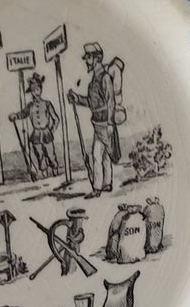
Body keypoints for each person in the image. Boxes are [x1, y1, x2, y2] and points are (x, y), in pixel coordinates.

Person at [67, 43, 123, 195]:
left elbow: (110, 101)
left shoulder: (104, 77)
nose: (87, 61)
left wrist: (110, 123)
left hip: (105, 122)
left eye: (89, 58)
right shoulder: (94, 79)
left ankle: (97, 187)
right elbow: (92, 103)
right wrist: (77, 98)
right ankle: (107, 183)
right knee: (104, 154)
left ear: (97, 58)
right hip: (98, 122)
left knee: (98, 154)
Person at [11, 71, 60, 178]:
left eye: (38, 89)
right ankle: (44, 171)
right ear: (31, 92)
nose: (36, 92)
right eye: (33, 90)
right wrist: (15, 116)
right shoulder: (30, 105)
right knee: (39, 154)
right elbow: (23, 114)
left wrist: (51, 130)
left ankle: (54, 168)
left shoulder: (47, 104)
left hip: (46, 133)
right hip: (36, 134)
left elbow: (56, 119)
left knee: (50, 154)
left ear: (41, 89)